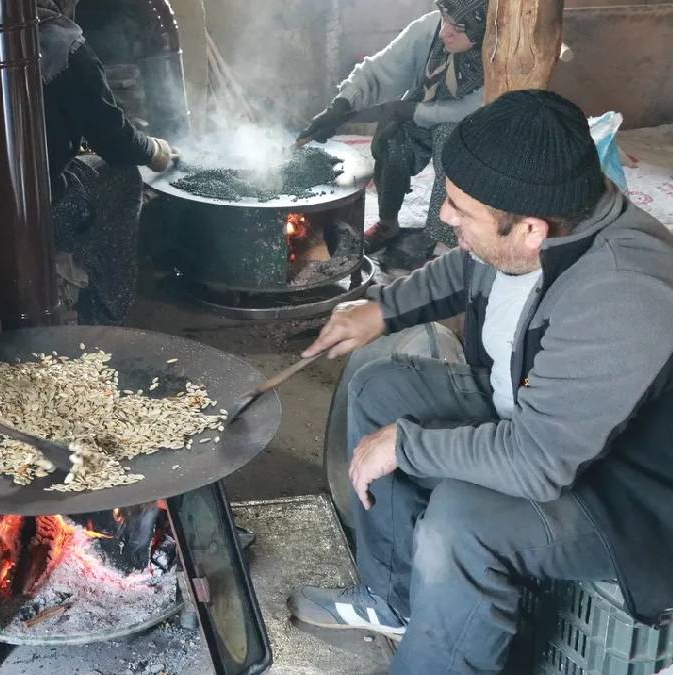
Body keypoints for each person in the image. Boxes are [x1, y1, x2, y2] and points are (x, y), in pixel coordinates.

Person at [287, 91, 673, 673]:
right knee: (379, 386)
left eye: (460, 210)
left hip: (625, 496)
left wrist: (406, 444)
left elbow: (537, 463)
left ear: (531, 231)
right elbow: (471, 259)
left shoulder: (623, 296)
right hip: (530, 413)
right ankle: (395, 602)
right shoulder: (539, 222)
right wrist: (384, 310)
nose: (444, 217)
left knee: (462, 520)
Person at [0, 0, 177, 326]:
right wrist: (155, 150)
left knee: (76, 171)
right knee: (122, 181)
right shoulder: (60, 46)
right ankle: (106, 315)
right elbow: (117, 143)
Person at [297, 0, 488, 258]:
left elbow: (476, 108)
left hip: (471, 125)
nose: (445, 32)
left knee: (451, 141)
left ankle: (444, 241)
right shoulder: (430, 30)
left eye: (459, 27)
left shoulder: (497, 54)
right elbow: (380, 68)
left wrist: (415, 112)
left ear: (481, 30)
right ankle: (388, 224)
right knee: (392, 138)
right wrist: (342, 105)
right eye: (445, 18)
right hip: (425, 106)